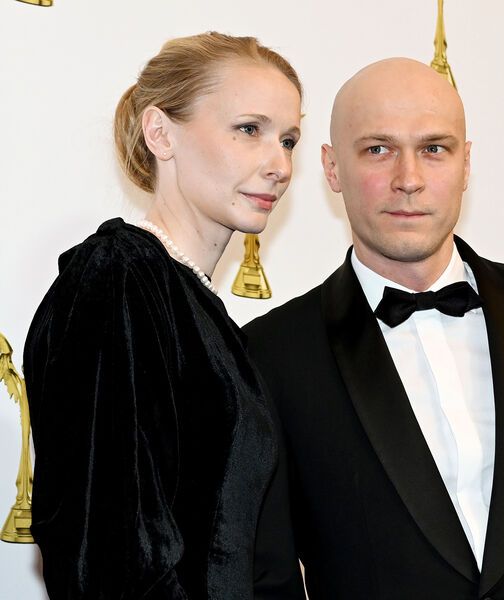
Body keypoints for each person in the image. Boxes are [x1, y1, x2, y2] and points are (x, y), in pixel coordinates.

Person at [244, 58, 504, 599]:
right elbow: (266, 578)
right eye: (378, 150)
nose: (408, 180)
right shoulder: (271, 355)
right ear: (332, 168)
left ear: (466, 164)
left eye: (434, 149)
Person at [24, 32, 305, 599]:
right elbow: (109, 552)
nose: (279, 165)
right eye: (248, 129)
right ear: (160, 133)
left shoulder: (195, 305)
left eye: (288, 140)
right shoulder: (119, 277)